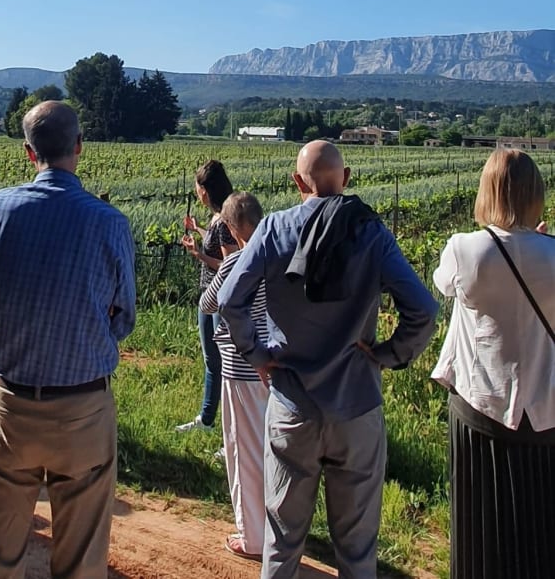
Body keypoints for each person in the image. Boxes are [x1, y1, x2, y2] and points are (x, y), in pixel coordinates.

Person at [218, 140, 438, 578]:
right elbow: (425, 310)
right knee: (356, 551)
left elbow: (228, 300)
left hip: (292, 406)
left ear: (298, 182)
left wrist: (258, 356)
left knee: (282, 543)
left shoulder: (273, 229)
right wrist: (387, 354)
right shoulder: (371, 231)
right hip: (357, 406)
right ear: (347, 178)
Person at [0, 100, 136, 578]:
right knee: (81, 560)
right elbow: (124, 317)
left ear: (28, 152)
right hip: (82, 409)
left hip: (9, 402)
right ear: (79, 146)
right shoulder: (109, 222)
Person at [431, 149, 555, 579]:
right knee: (539, 528)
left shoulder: (464, 249)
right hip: (545, 410)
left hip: (479, 406)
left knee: (479, 529)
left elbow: (444, 284)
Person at [199, 192, 270, 561]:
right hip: (275, 366)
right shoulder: (280, 256)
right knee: (272, 448)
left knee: (242, 450)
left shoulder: (236, 263)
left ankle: (252, 537)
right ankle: (278, 528)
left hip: (240, 367)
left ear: (230, 227)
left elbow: (208, 302)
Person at [176, 160, 237, 432]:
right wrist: (199, 230)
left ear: (204, 190)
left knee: (217, 361)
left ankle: (213, 420)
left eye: (196, 186)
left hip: (218, 299)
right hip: (209, 297)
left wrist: (198, 254)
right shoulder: (218, 218)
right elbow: (217, 243)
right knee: (212, 360)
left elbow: (229, 264)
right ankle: (208, 418)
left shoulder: (224, 220)